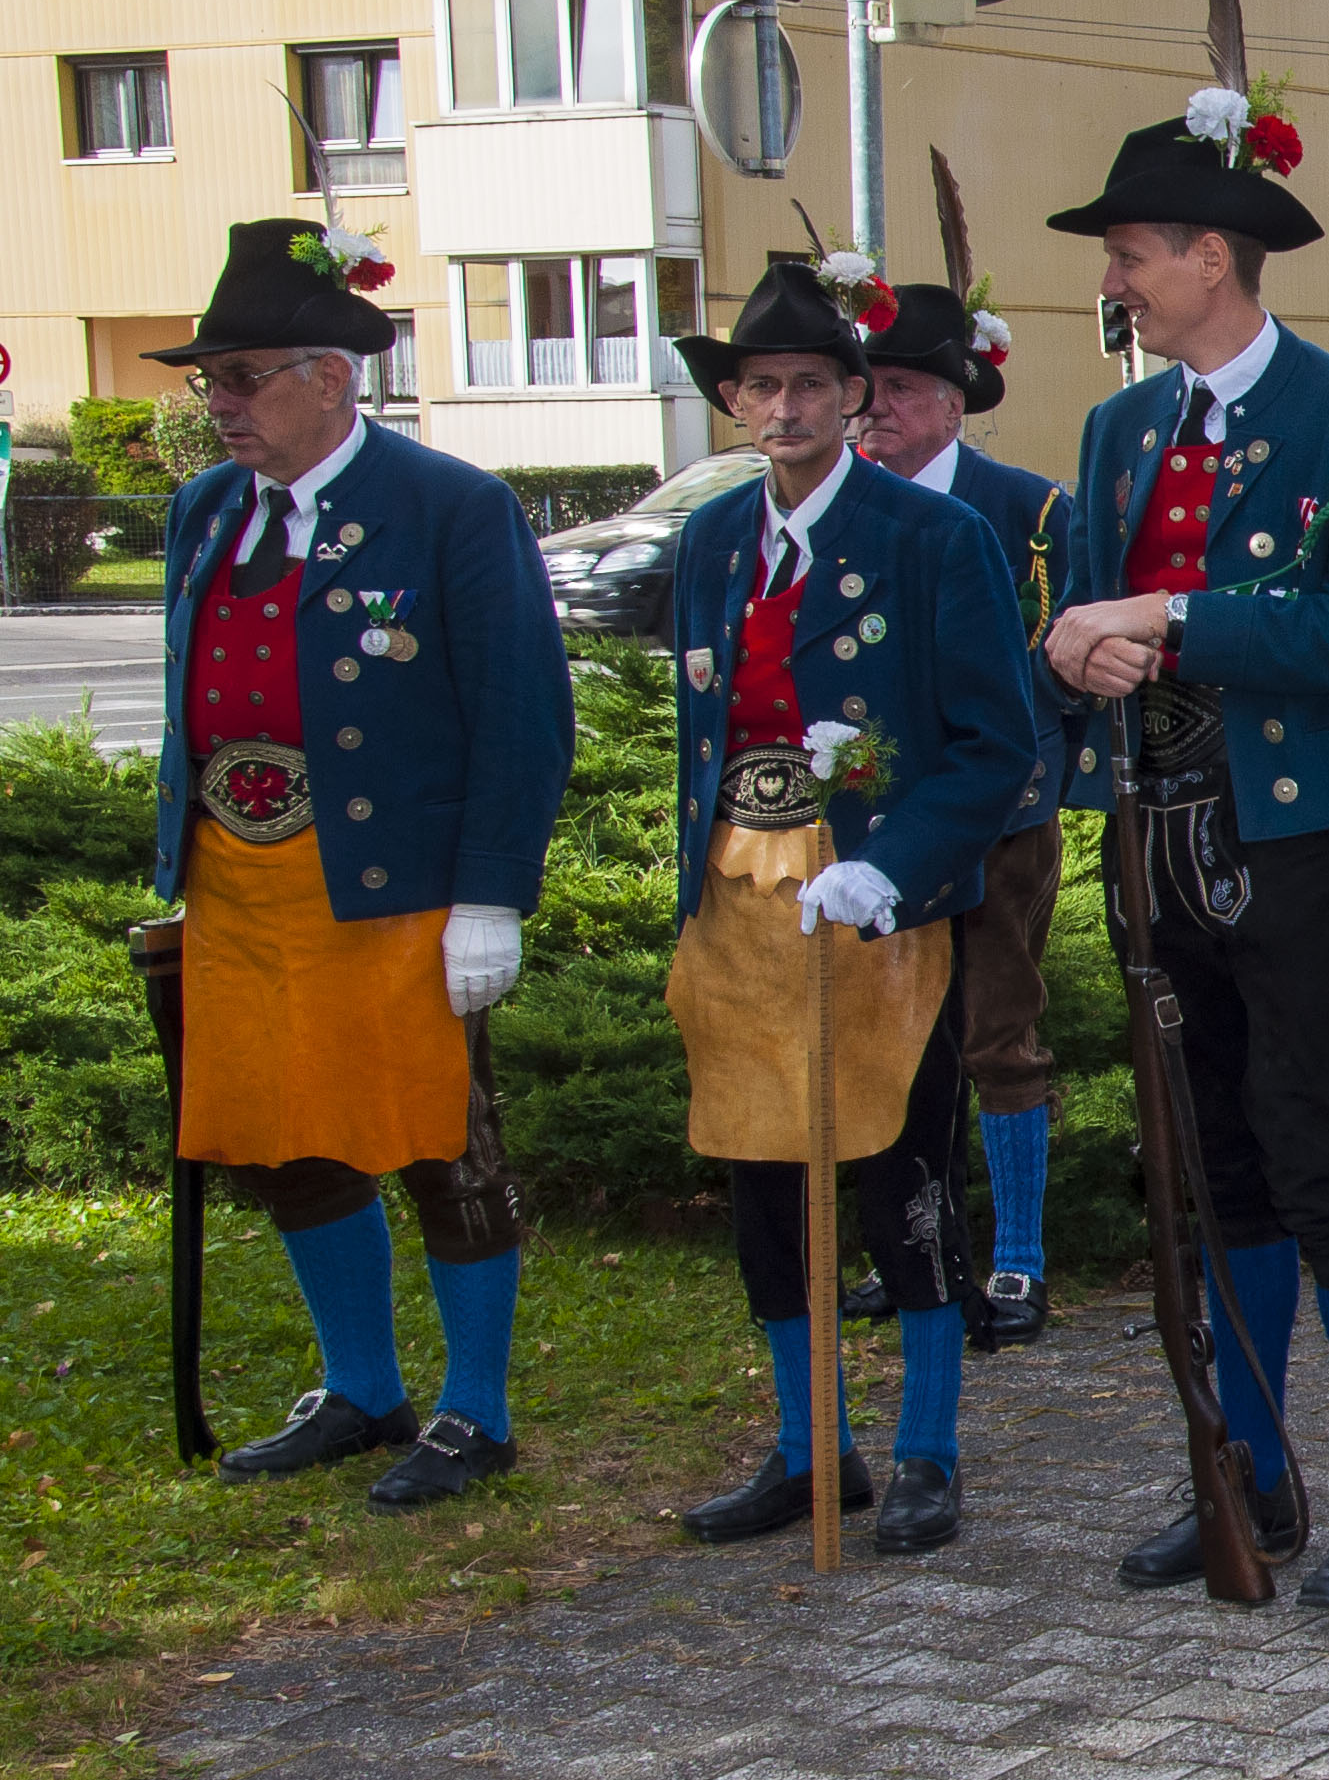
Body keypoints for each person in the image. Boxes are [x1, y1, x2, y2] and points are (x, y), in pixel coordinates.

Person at [1046, 0, 1329, 1621]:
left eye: (1131, 252)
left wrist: (1167, 614)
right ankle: (1253, 1471)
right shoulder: (1116, 430)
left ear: (1211, 254)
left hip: (1283, 838)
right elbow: (1077, 613)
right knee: (1207, 1163)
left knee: (1316, 1152)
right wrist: (1070, 643)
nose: (1114, 280)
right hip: (1151, 837)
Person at [150, 220, 571, 1509]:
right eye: (210, 381)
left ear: (332, 377)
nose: (221, 404)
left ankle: (476, 1410)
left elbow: (521, 714)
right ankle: (361, 1389)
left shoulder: (449, 507)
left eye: (243, 377)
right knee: (285, 1138)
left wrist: (489, 895)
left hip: (395, 887)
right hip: (242, 881)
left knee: (441, 1143)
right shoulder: (205, 511)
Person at [659, 256, 1037, 1555]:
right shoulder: (712, 539)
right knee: (763, 1182)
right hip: (740, 900)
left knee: (900, 1176)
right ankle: (809, 1448)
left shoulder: (933, 537)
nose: (784, 408)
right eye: (760, 386)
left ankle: (928, 1450)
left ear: (852, 396)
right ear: (733, 400)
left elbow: (996, 743)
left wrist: (897, 862)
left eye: (810, 385)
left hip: (878, 895)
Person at [850, 173, 1076, 1350]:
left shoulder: (1028, 512)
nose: (873, 409)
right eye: (864, 388)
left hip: (1000, 815)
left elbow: (1070, 665)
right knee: (892, 1034)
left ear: (951, 401)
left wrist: (1047, 780)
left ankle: (1020, 1258)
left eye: (897, 389)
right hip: (879, 825)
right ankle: (914, 1249)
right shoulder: (845, 509)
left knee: (997, 1029)